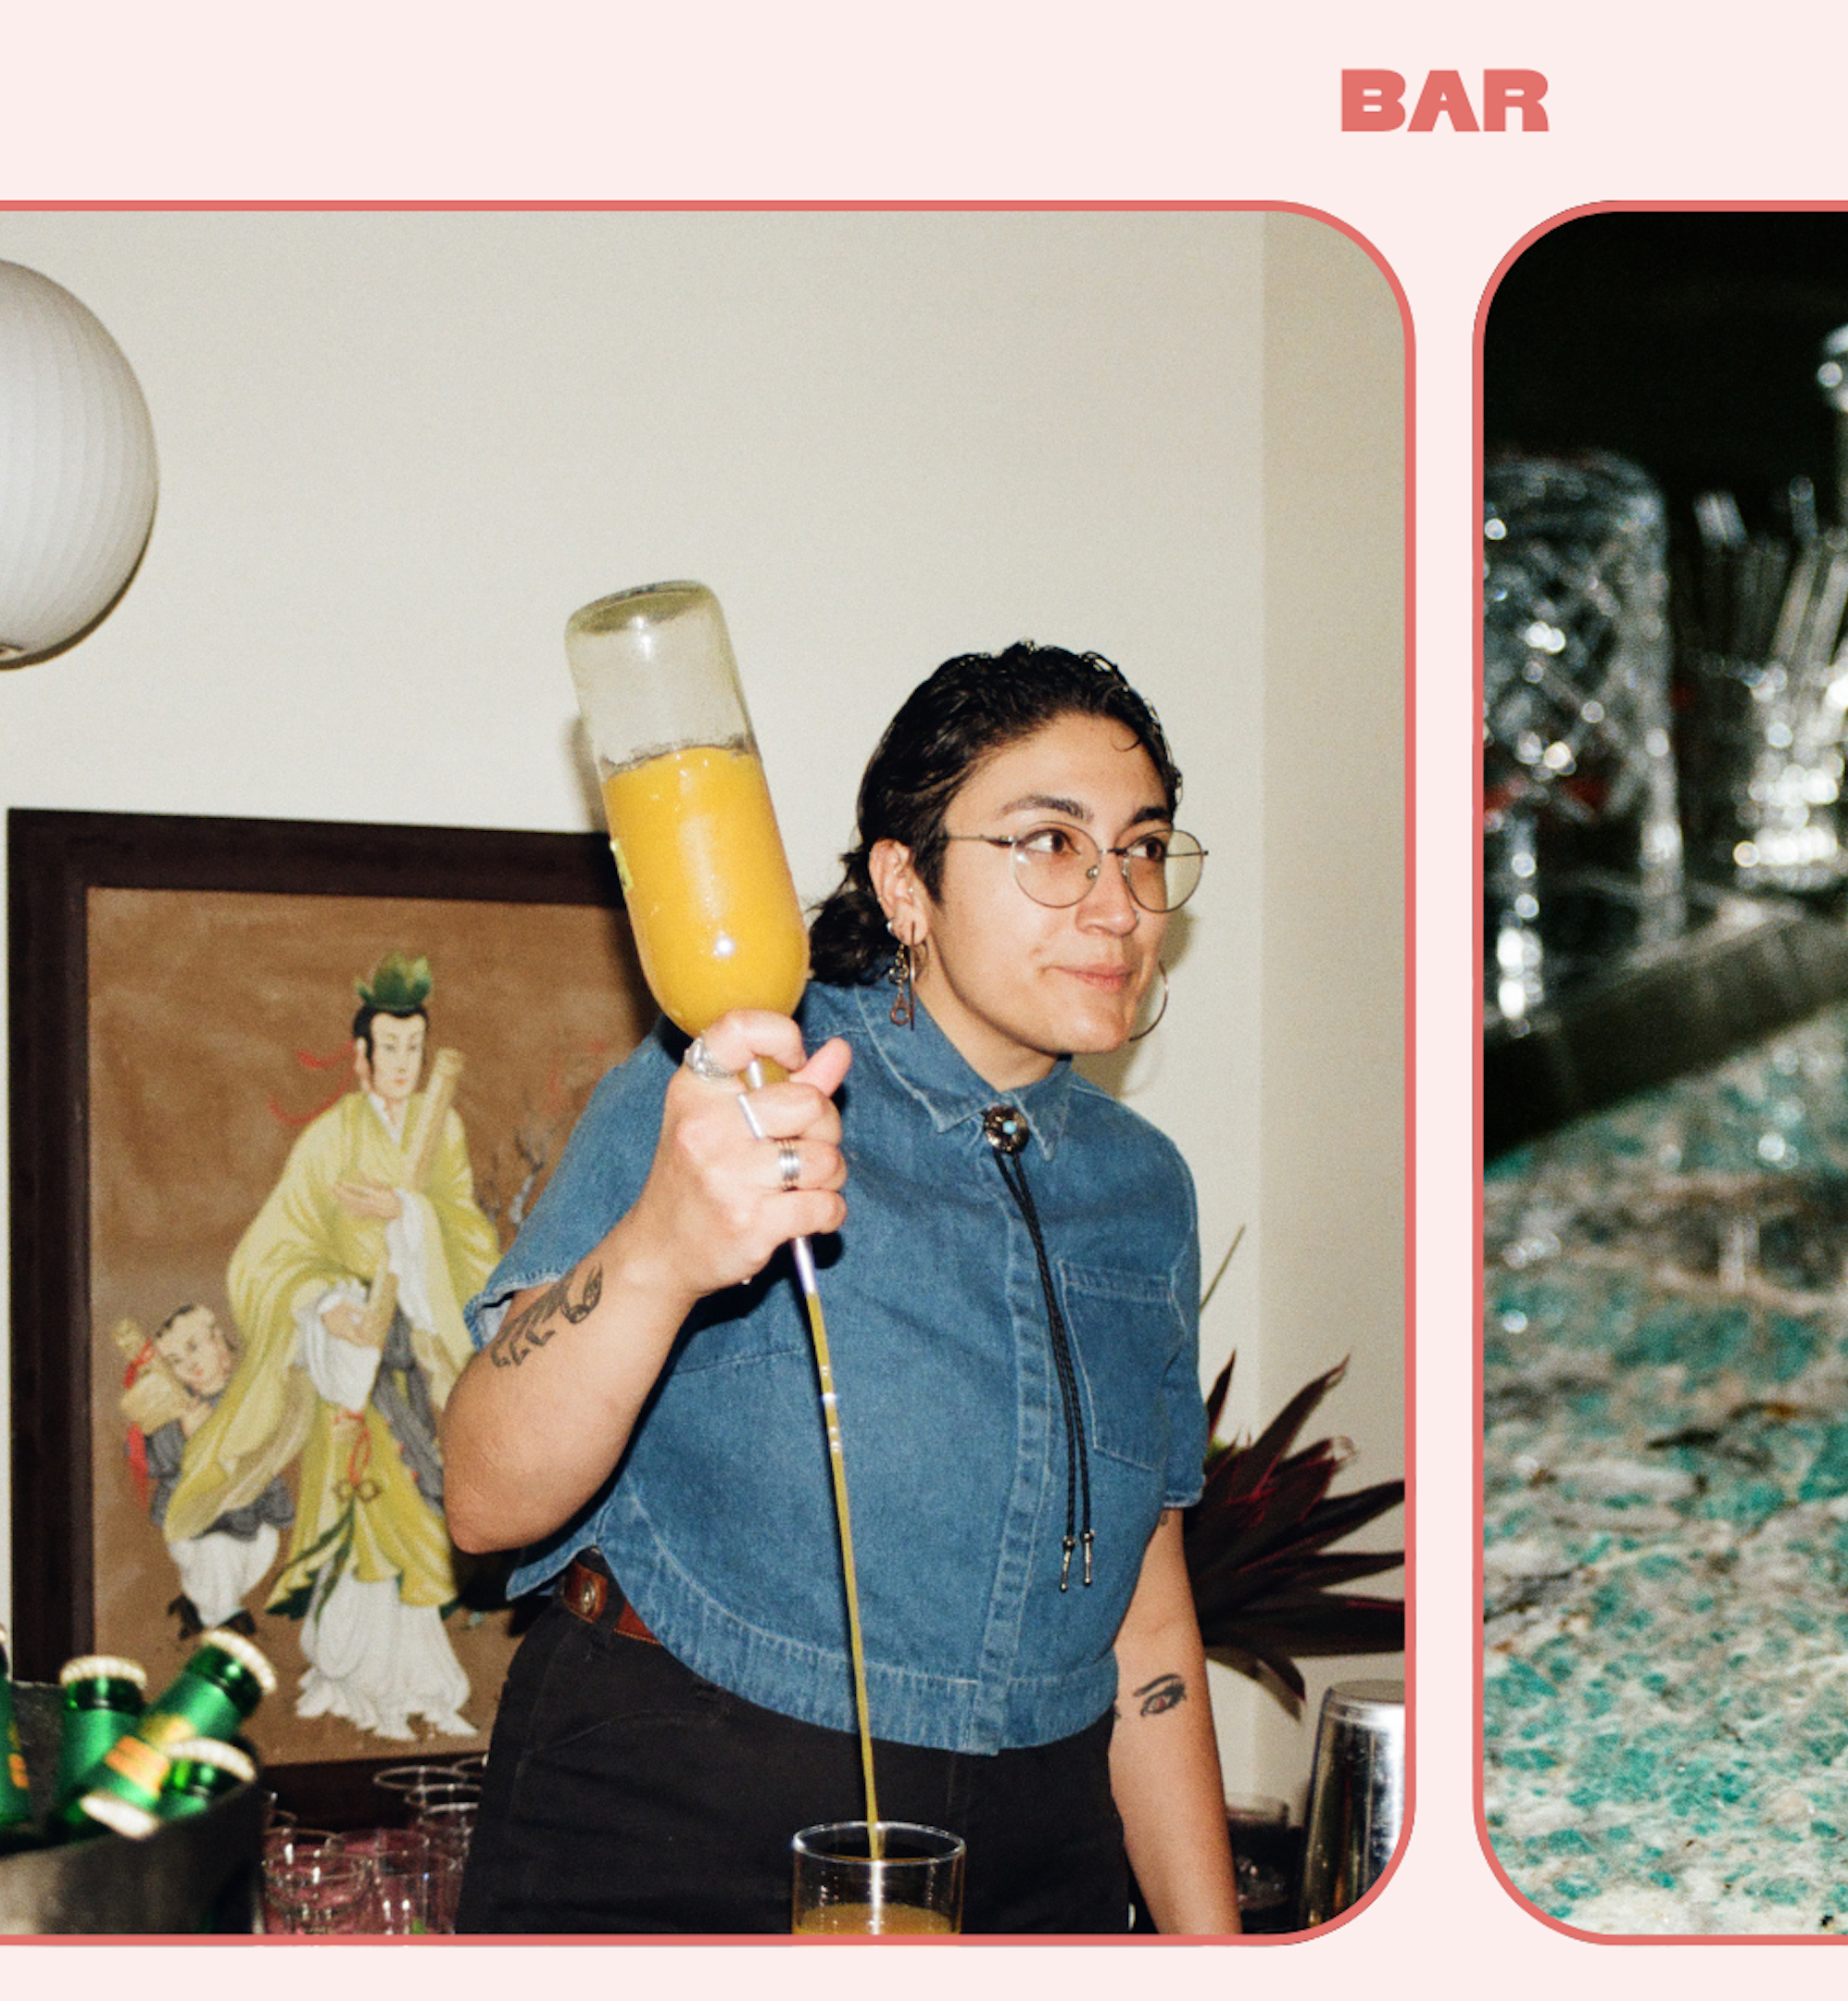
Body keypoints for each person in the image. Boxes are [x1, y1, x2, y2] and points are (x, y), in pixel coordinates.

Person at [441, 644, 1237, 1935]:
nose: (1117, 903)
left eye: (1142, 849)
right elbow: (481, 1497)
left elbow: (1146, 1629)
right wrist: (660, 1248)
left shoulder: (1147, 1191)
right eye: (1049, 844)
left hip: (1048, 1852)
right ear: (904, 882)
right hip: (683, 1817)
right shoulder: (730, 1091)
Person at [169, 954, 497, 1741]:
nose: (402, 1065)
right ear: (360, 1056)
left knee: (418, 1515)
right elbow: (269, 1254)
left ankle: (421, 1681)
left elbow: (470, 1234)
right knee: (348, 1517)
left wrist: (411, 1218)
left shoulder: (437, 1127)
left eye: (413, 1049)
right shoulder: (327, 1141)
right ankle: (345, 1676)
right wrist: (325, 1305)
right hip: (346, 1363)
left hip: (410, 1353)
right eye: (389, 1049)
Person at [116, 1303, 290, 1637]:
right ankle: (226, 1622)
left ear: (221, 1343)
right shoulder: (173, 1409)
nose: (189, 1364)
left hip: (251, 1509)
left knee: (253, 1556)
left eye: (194, 1347)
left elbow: (269, 1442)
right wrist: (183, 1436)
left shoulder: (250, 1397)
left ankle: (198, 1605)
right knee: (215, 1553)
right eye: (175, 1361)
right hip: (195, 1517)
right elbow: (148, 1460)